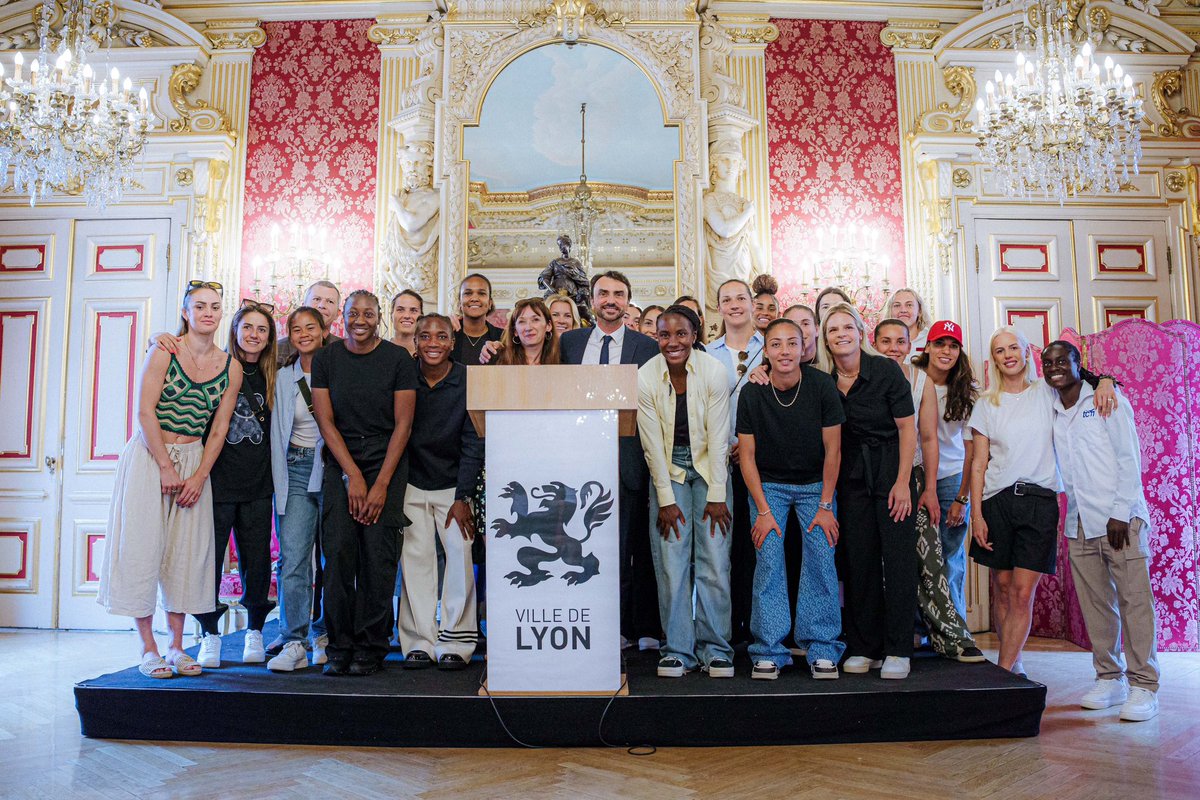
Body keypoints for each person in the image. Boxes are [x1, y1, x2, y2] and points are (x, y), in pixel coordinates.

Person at [98, 281, 242, 678]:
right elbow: (144, 412)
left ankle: (178, 646)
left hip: (194, 455)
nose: (208, 312)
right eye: (199, 306)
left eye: (214, 306)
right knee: (142, 548)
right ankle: (148, 647)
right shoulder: (163, 350)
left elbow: (219, 429)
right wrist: (164, 465)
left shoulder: (231, 367)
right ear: (186, 312)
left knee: (185, 553)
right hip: (150, 454)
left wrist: (198, 475)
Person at [968, 327, 1115, 677]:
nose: (1008, 355)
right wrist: (976, 514)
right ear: (995, 359)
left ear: (1026, 352)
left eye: (1014, 348)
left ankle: (1001, 674)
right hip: (996, 501)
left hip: (1040, 502)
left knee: (1021, 591)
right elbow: (978, 462)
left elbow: (1081, 378)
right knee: (1002, 588)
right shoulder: (986, 404)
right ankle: (1013, 661)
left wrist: (1106, 379)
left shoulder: (1047, 392)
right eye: (1000, 350)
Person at [1043, 341, 1159, 722]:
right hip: (1079, 523)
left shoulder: (1107, 399)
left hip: (1120, 521)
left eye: (1063, 360)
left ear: (1080, 364)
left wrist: (1121, 513)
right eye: (1048, 363)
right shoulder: (1054, 408)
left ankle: (1144, 685)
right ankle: (1110, 678)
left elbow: (1129, 457)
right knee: (1096, 606)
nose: (1055, 367)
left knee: (1135, 602)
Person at [311, 290, 417, 676]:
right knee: (338, 552)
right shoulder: (327, 358)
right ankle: (339, 643)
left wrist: (380, 483)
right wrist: (352, 475)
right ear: (343, 316)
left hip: (387, 457)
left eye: (368, 314)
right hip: (341, 459)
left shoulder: (397, 359)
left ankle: (372, 644)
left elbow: (404, 424)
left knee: (378, 555)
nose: (360, 319)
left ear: (379, 319)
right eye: (353, 313)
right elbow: (325, 421)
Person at [737, 318, 845, 680]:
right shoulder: (753, 392)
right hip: (769, 486)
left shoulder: (821, 385)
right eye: (776, 344)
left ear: (804, 348)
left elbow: (834, 450)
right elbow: (747, 457)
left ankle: (823, 647)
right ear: (765, 351)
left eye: (792, 343)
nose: (785, 351)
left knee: (820, 557)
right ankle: (768, 649)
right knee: (768, 560)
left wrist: (827, 505)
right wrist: (763, 512)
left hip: (816, 485)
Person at [561, 271, 661, 651]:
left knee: (624, 550)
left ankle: (619, 629)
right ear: (592, 298)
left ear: (628, 301)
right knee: (580, 547)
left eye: (619, 294)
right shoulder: (569, 343)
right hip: (577, 463)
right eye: (603, 293)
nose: (610, 300)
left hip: (628, 462)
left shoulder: (646, 347)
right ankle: (584, 623)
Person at [874, 319, 984, 664]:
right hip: (876, 476)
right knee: (888, 561)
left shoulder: (929, 383)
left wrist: (937, 490)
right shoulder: (863, 375)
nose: (946, 351)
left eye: (900, 341)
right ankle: (907, 631)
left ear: (910, 345)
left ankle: (950, 632)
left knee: (939, 559)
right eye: (940, 345)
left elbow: (930, 439)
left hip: (930, 477)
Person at [819, 302, 917, 679]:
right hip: (851, 476)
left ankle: (898, 649)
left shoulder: (885, 370)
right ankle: (865, 646)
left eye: (848, 327)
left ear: (861, 333)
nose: (841, 333)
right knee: (858, 560)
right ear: (825, 341)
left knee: (897, 560)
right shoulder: (825, 382)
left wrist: (903, 482)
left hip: (892, 470)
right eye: (833, 329)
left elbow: (907, 429)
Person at [638, 304, 734, 678]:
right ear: (657, 337)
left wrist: (717, 495)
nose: (672, 341)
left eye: (681, 334)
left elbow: (719, 438)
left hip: (711, 468)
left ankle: (716, 649)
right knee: (671, 561)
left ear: (694, 335)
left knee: (714, 560)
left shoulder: (713, 371)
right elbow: (651, 446)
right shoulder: (646, 376)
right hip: (669, 470)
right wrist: (665, 499)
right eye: (664, 334)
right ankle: (677, 649)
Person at [193, 300, 279, 669]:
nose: (254, 335)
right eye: (248, 328)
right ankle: (209, 634)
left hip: (259, 484)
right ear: (235, 330)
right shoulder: (216, 367)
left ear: (269, 337)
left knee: (256, 561)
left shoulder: (277, 373)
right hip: (216, 483)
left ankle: (255, 630)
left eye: (262, 329)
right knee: (207, 561)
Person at [398, 314, 485, 671]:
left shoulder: (468, 379)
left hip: (454, 485)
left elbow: (473, 441)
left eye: (442, 336)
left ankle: (458, 639)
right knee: (415, 560)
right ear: (415, 342)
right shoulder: (403, 376)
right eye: (425, 336)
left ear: (452, 341)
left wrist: (463, 497)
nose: (433, 342)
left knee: (459, 554)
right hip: (411, 483)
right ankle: (419, 640)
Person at [266, 307, 330, 672]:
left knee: (333, 559)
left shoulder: (337, 370)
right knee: (293, 558)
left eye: (311, 327)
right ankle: (294, 639)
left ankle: (324, 634)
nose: (304, 334)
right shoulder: (281, 377)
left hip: (331, 467)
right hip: (294, 468)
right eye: (296, 328)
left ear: (324, 331)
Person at [707, 278, 763, 649]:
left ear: (752, 303)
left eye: (740, 298)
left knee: (756, 547)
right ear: (719, 307)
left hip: (761, 460)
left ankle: (760, 626)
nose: (734, 304)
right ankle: (727, 631)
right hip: (721, 460)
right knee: (723, 548)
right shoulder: (708, 354)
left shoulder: (770, 347)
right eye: (726, 299)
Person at [910, 320, 977, 618]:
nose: (946, 351)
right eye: (940, 344)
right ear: (928, 347)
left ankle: (955, 625)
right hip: (911, 476)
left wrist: (963, 497)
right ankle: (918, 628)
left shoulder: (968, 392)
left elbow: (973, 449)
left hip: (950, 478)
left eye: (953, 345)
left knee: (950, 556)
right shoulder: (910, 379)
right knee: (913, 556)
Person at [276, 281, 342, 366]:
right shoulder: (278, 349)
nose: (322, 305)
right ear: (303, 307)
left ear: (338, 313)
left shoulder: (344, 350)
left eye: (330, 301)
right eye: (317, 299)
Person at [450, 273, 503, 366]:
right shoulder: (448, 334)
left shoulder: (503, 337)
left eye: (482, 293)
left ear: (490, 303)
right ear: (459, 303)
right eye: (468, 293)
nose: (474, 298)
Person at [491, 297, 560, 366]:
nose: (528, 327)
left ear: (548, 326)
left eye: (535, 320)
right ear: (515, 331)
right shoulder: (498, 360)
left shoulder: (561, 361)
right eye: (522, 321)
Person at [887, 287, 932, 360]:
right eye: (897, 305)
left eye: (909, 305)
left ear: (919, 311)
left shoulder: (930, 339)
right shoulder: (882, 342)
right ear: (890, 311)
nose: (903, 310)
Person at [390, 289, 424, 355]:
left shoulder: (428, 356)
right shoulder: (379, 353)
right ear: (391, 315)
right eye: (400, 310)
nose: (407, 316)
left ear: (421, 317)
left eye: (413, 310)